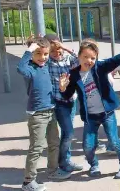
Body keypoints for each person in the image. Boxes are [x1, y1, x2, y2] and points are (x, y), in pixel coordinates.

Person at [59, 39, 120, 179]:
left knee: (114, 141)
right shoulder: (74, 75)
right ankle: (94, 164)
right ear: (79, 56)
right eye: (85, 57)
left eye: (92, 58)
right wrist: (62, 88)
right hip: (90, 116)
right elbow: (67, 95)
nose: (89, 60)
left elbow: (116, 59)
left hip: (107, 113)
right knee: (87, 146)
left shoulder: (100, 67)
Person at [17, 37, 65, 191]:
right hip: (37, 114)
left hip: (51, 110)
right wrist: (29, 50)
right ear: (32, 54)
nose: (43, 57)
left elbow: (60, 54)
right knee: (37, 147)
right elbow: (20, 68)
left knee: (54, 143)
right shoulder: (30, 68)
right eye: (38, 53)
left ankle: (52, 170)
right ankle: (28, 181)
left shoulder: (46, 65)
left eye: (45, 54)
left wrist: (57, 46)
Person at [44, 34, 84, 176]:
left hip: (71, 100)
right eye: (53, 51)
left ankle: (66, 159)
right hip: (59, 102)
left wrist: (65, 48)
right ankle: (62, 162)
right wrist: (40, 44)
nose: (57, 53)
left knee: (68, 132)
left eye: (58, 50)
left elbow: (81, 60)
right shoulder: (48, 62)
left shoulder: (68, 59)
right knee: (68, 133)